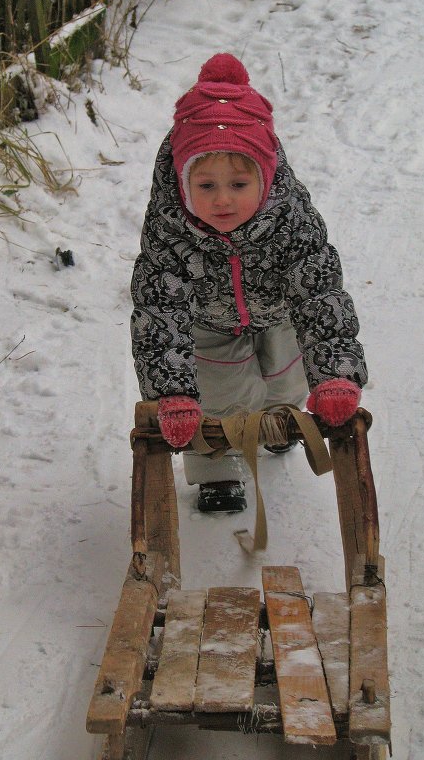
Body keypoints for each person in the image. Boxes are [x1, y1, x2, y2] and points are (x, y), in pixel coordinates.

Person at [130, 53, 367, 513]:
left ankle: (279, 424)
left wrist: (335, 374)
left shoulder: (291, 222)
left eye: (238, 185)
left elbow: (321, 298)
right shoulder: (170, 230)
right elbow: (160, 313)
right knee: (220, 397)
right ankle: (217, 468)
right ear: (181, 183)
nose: (222, 200)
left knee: (284, 379)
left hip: (278, 317)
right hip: (210, 325)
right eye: (205, 186)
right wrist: (172, 393)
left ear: (265, 176)